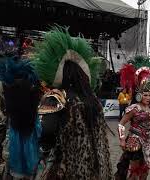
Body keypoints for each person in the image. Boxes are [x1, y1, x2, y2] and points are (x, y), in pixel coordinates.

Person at [32, 27, 112, 179]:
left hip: (67, 169)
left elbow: (46, 131)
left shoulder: (57, 97)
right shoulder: (93, 100)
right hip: (95, 170)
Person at [115, 56, 150, 180]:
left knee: (144, 173)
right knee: (134, 173)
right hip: (135, 142)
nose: (148, 97)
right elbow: (121, 124)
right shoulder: (134, 108)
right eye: (145, 95)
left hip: (148, 142)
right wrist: (122, 140)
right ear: (139, 95)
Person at [0, 57, 42, 179]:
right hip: (29, 131)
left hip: (17, 132)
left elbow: (5, 108)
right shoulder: (32, 88)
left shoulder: (8, 88)